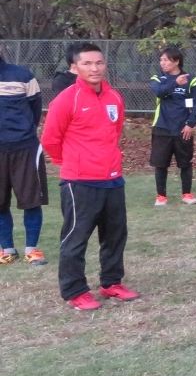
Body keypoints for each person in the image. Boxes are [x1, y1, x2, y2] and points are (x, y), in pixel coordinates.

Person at [40, 43, 138, 310]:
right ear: (75, 68)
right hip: (80, 181)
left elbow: (115, 131)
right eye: (87, 63)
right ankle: (75, 291)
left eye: (99, 63)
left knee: (115, 235)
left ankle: (111, 282)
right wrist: (71, 163)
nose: (95, 68)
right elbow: (50, 139)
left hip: (113, 179)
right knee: (76, 238)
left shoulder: (114, 97)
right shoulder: (66, 99)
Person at [0, 41, 49, 266]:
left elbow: (35, 109)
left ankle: (32, 250)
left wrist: (22, 132)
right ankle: (7, 250)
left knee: (31, 200)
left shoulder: (23, 76)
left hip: (25, 148)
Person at [149, 45, 196, 205]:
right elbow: (159, 92)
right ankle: (161, 196)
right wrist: (175, 83)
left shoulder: (192, 80)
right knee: (160, 164)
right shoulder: (158, 79)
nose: (162, 63)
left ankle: (187, 194)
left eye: (166, 60)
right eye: (161, 60)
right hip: (162, 128)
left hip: (183, 129)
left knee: (185, 163)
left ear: (176, 61)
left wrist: (190, 124)